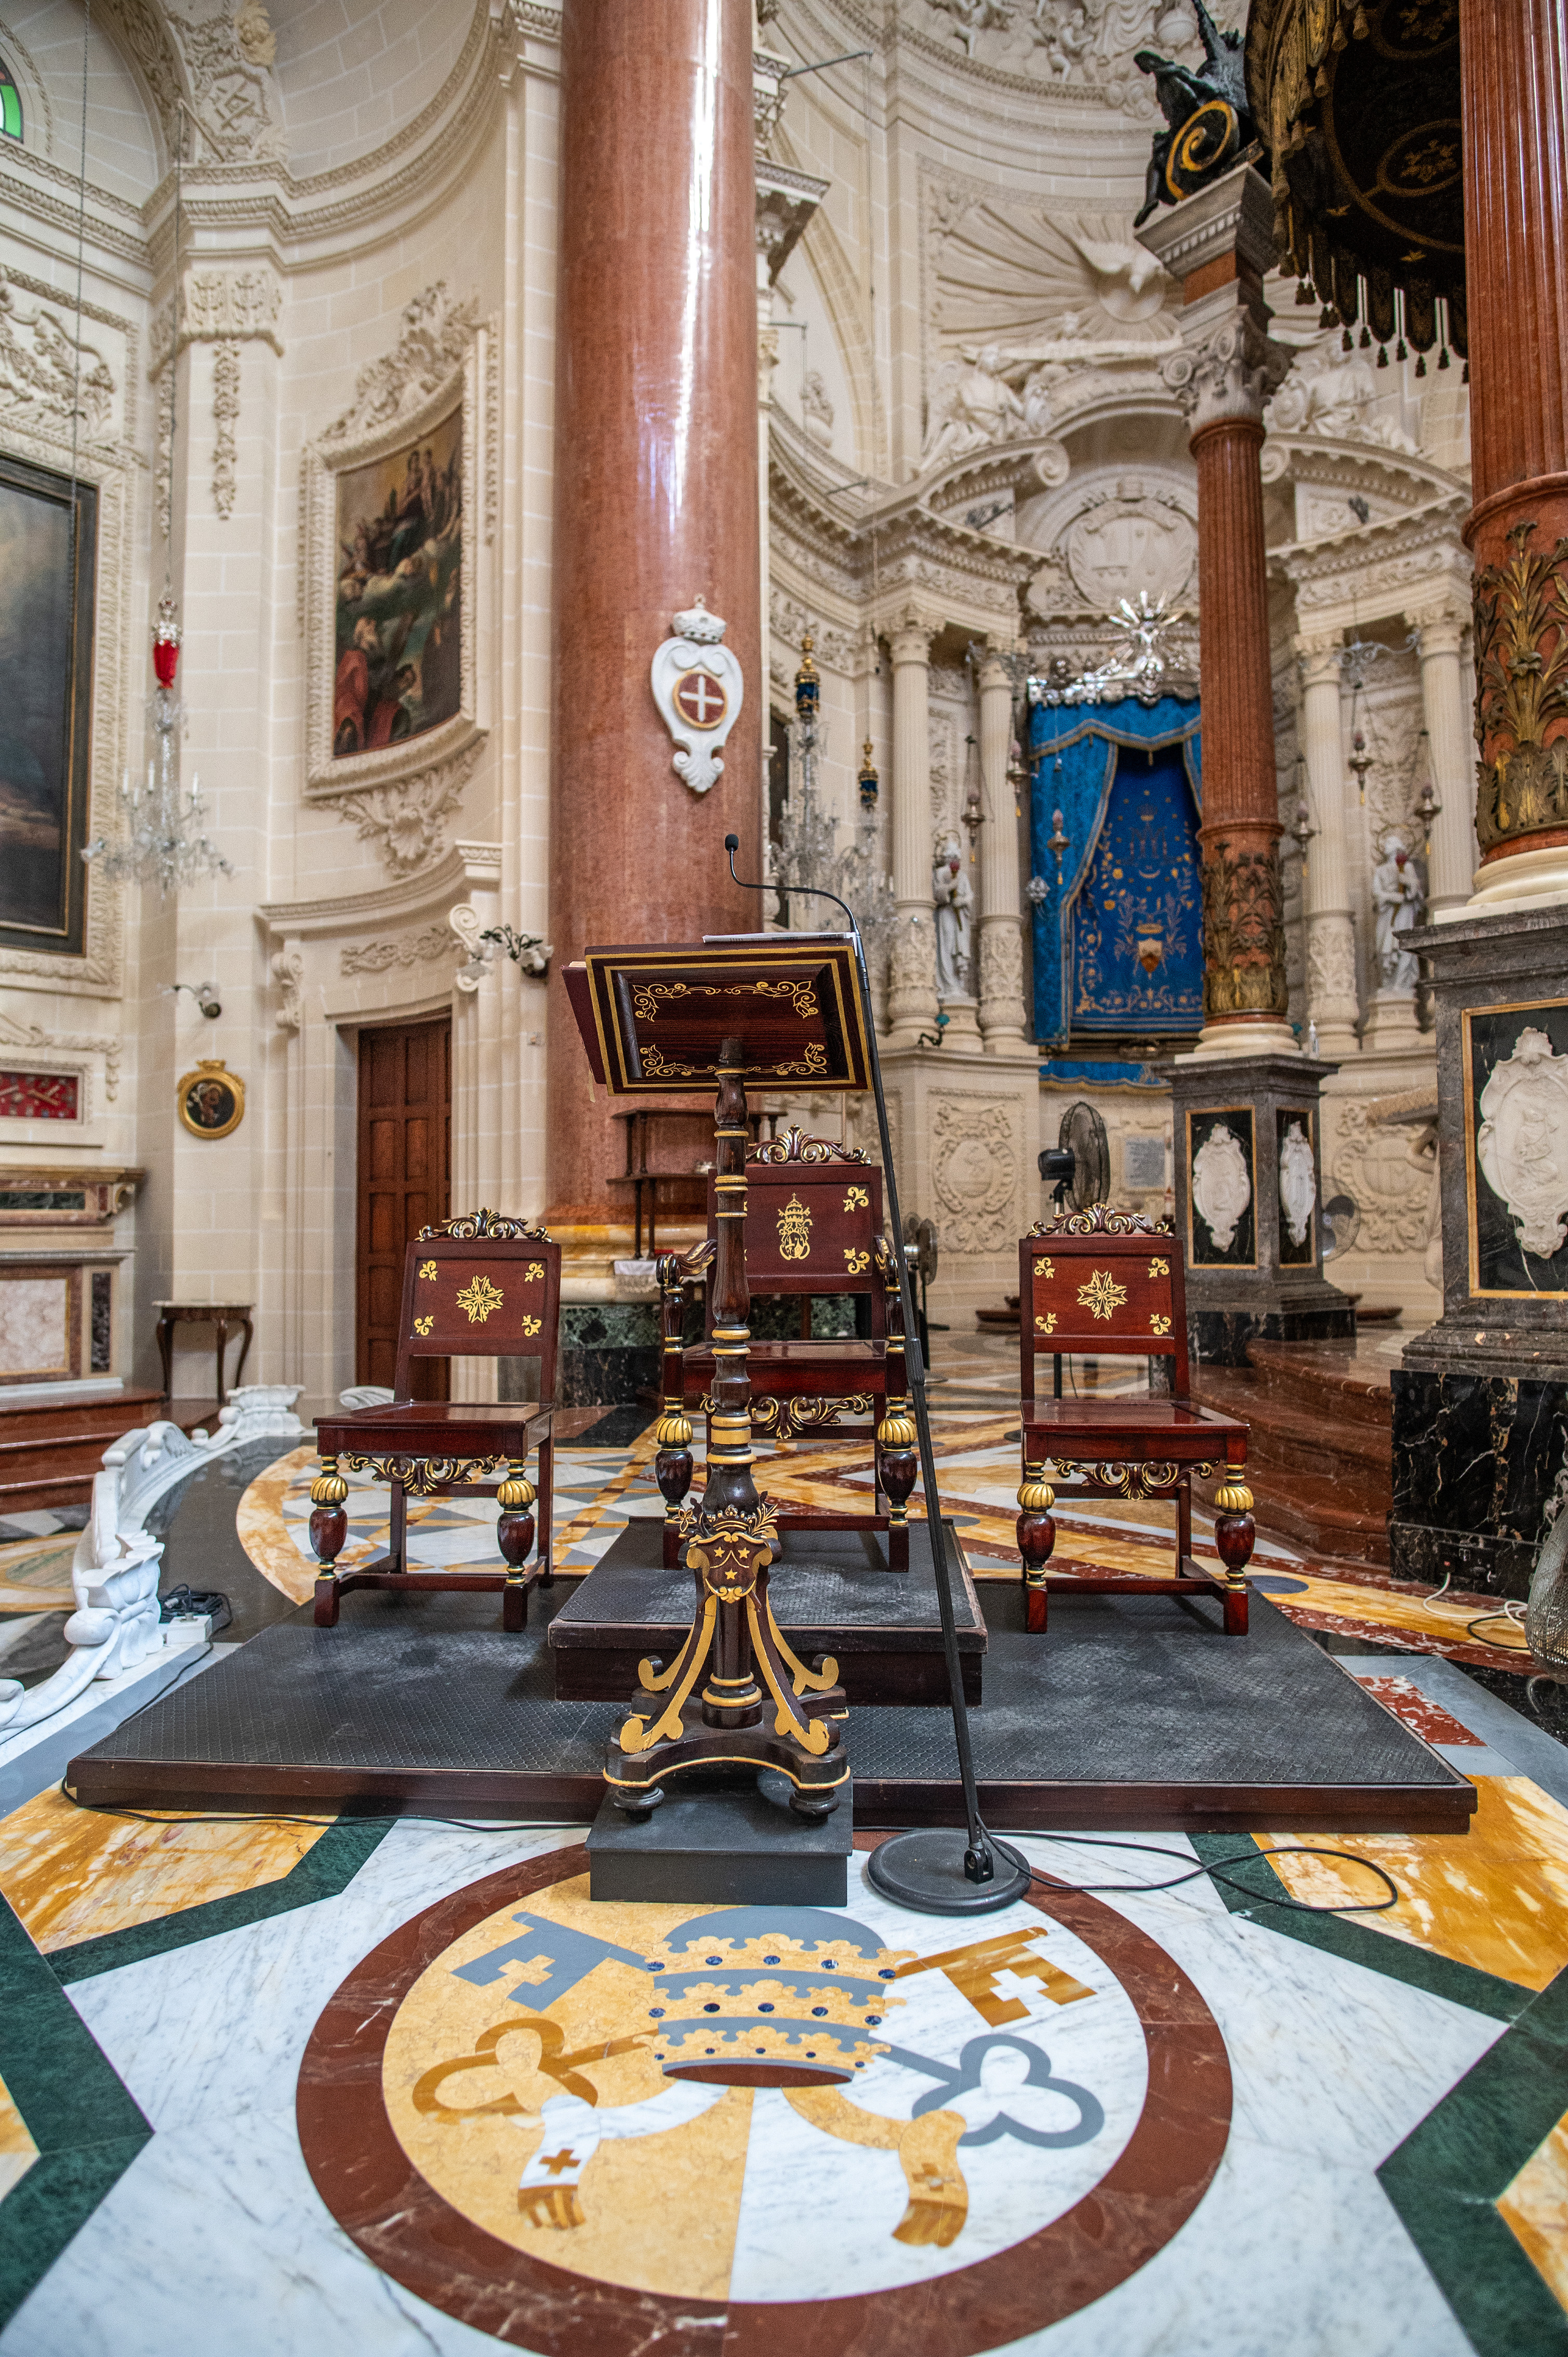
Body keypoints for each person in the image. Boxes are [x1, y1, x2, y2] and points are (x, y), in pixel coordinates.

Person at [1372, 830, 1424, 991]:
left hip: (1404, 911)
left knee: (1402, 945)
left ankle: (1400, 984)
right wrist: (1392, 897)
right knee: (1384, 946)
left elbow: (1415, 889)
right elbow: (1376, 892)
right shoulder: (1379, 871)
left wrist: (1407, 883)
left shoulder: (1407, 867)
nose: (1386, 846)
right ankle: (1388, 982)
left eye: (1390, 843)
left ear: (1396, 847)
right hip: (1387, 911)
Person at [933, 831, 974, 999]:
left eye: (956, 856)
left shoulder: (962, 875)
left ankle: (958, 984)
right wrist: (950, 888)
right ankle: (948, 986)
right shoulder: (940, 872)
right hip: (945, 914)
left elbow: (970, 895)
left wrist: (963, 901)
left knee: (960, 950)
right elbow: (937, 893)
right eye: (951, 856)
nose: (953, 859)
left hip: (961, 916)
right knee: (947, 947)